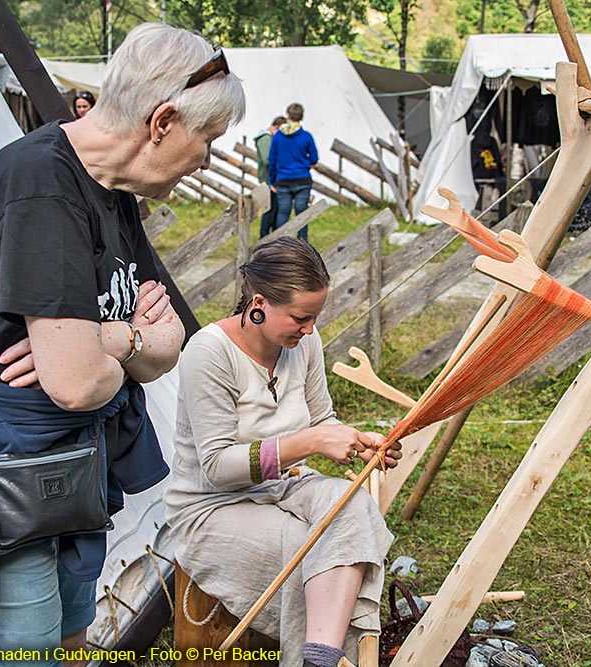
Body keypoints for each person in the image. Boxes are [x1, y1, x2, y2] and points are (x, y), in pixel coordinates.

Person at [0, 23, 245, 667]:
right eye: (207, 139)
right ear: (162, 121)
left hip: (66, 468)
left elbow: (170, 345)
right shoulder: (42, 189)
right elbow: (78, 384)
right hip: (2, 472)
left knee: (72, 640)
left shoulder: (111, 192)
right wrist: (128, 343)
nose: (207, 160)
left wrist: (108, 337)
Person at [165, 237, 402, 667]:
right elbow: (217, 468)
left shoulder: (303, 343)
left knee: (352, 508)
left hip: (285, 486)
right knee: (309, 549)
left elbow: (322, 418)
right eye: (299, 317)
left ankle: (320, 659)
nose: (309, 328)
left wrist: (357, 442)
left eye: (314, 317)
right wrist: (311, 442)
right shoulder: (209, 352)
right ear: (258, 304)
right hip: (211, 507)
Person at [269, 103, 318, 241]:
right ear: (302, 117)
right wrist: (305, 164)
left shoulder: (278, 136)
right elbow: (314, 158)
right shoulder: (306, 136)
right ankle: (302, 242)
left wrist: (273, 180)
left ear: (287, 115)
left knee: (283, 212)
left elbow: (272, 159)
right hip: (302, 178)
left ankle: (282, 242)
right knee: (301, 212)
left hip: (283, 179)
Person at [255, 115, 286, 238]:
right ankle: (264, 237)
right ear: (276, 128)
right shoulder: (265, 139)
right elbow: (267, 159)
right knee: (269, 211)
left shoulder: (270, 139)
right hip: (268, 179)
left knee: (275, 211)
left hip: (273, 179)